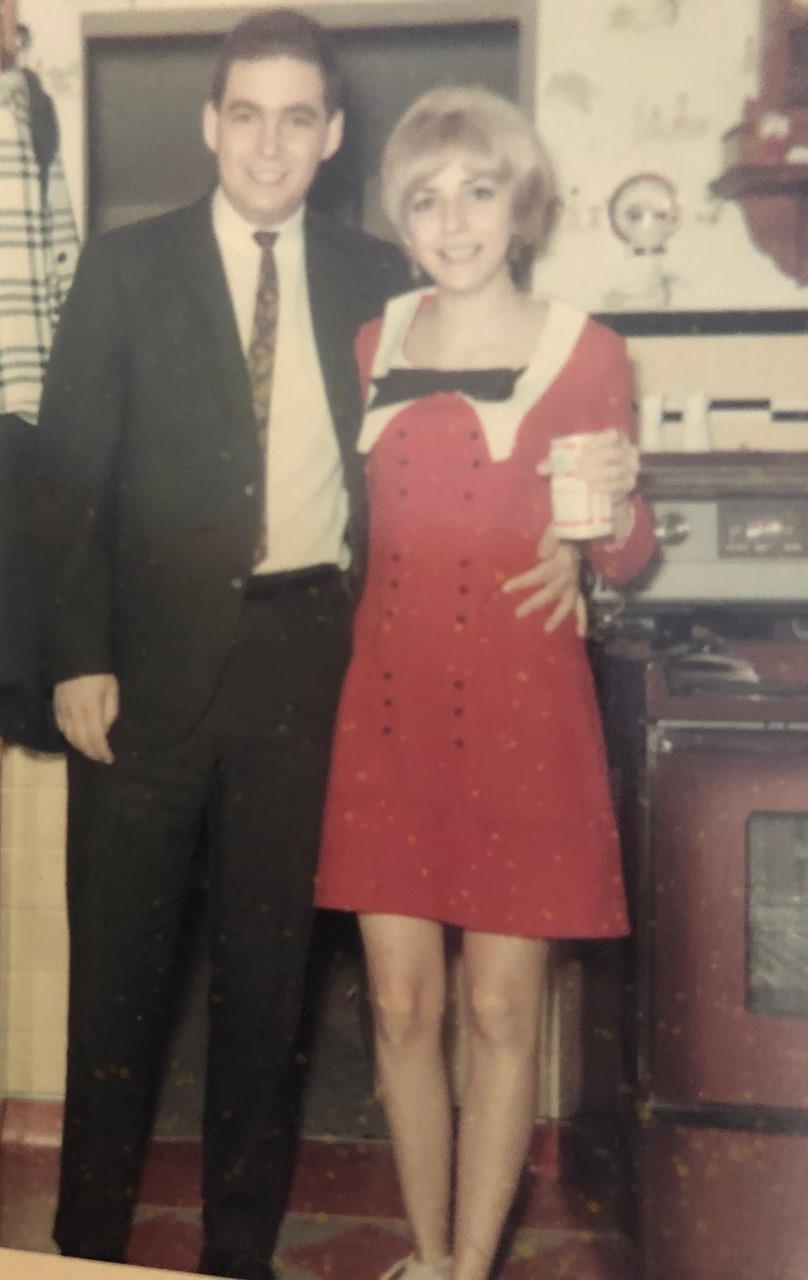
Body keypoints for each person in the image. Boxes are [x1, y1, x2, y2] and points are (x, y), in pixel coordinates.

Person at [30, 14, 583, 1279]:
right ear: (209, 123)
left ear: (332, 138)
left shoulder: (382, 282)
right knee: (116, 982)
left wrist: (578, 541)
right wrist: (74, 654)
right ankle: (79, 1253)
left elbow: (503, 416)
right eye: (246, 114)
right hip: (140, 672)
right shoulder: (123, 269)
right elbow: (64, 482)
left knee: (267, 991)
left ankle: (236, 1252)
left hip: (312, 670)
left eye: (298, 118)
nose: (269, 142)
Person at [315, 86, 657, 1280]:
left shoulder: (591, 349)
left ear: (521, 203)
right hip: (392, 709)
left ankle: (469, 1262)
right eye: (425, 196)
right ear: (401, 218)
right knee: (402, 1008)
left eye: (477, 190)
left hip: (521, 715)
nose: (452, 219)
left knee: (501, 1011)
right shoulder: (375, 343)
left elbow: (626, 551)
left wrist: (603, 517)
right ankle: (425, 1249)